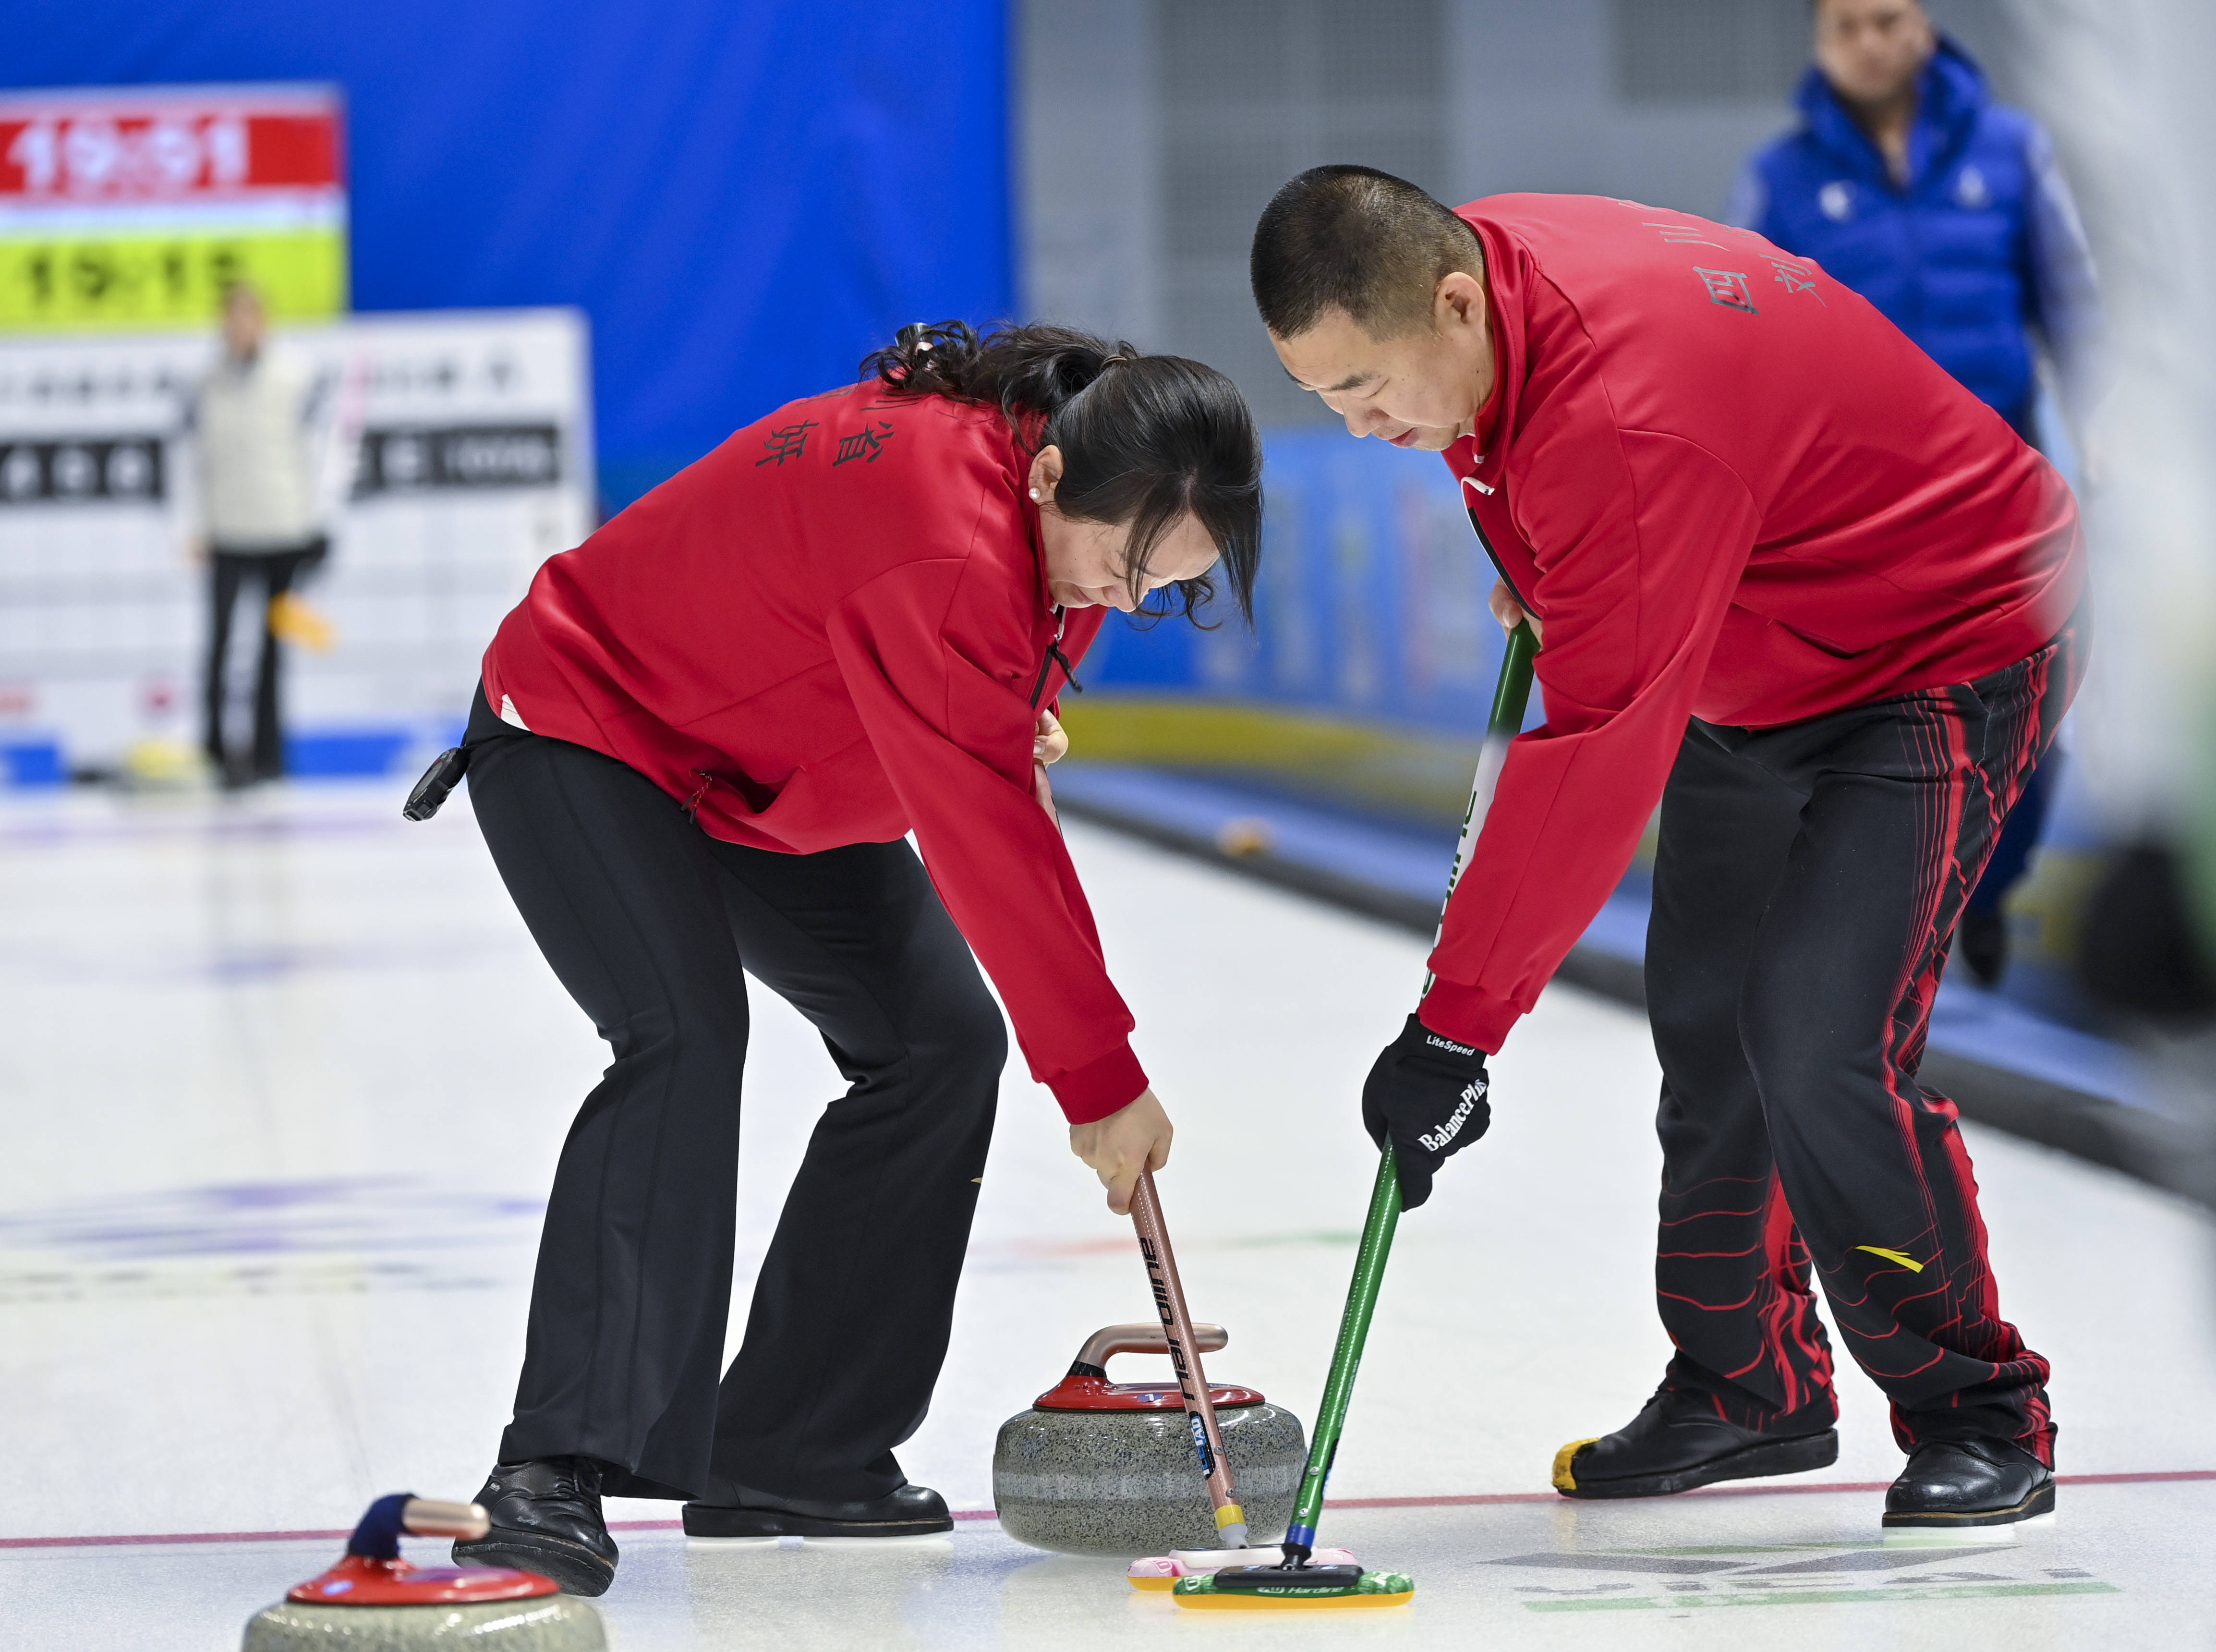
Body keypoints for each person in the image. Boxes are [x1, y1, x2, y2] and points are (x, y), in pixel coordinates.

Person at [1252, 168, 2082, 1529]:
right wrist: (1542, 561)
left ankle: (1980, 1408)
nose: (1358, 425)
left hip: (1945, 641)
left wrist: (1454, 1033)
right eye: (1324, 398)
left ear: (1452, 303)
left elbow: (1592, 757)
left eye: (1364, 388)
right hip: (1752, 652)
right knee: (1708, 1022)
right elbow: (1552, 484)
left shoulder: (1623, 417)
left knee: (1818, 1036)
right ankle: (1748, 1385)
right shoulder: (1484, 302)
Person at [439, 322, 1260, 1595]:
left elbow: (976, 723)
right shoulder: (949, 525)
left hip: (753, 774)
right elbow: (984, 830)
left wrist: (1011, 714)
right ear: (1050, 477)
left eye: (1167, 584)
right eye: (1127, 566)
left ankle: (793, 1444)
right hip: (588, 726)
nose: (1131, 599)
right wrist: (1100, 1079)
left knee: (939, 1041)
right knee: (682, 1033)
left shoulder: (1055, 504)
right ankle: (554, 1467)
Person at [1728, 0, 2104, 984]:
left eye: (1887, 19)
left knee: (2030, 704)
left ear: (1925, 27)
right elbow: (1742, 339)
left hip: (2008, 488)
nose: (1869, 43)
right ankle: (1915, 910)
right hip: (1865, 506)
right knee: (1897, 715)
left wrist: (2106, 420)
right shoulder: (1779, 177)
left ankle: (1990, 882)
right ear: (1820, 43)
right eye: (1845, 27)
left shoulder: (2014, 152)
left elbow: (2072, 299)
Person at [191, 281, 331, 788]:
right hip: (228, 531)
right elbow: (195, 458)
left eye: (248, 317)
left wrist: (315, 522)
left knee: (273, 648)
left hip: (281, 529)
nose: (240, 327)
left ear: (263, 322)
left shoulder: (295, 376)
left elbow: (316, 452)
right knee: (220, 645)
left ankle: (269, 756)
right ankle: (214, 752)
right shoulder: (207, 382)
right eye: (232, 318)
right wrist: (196, 526)